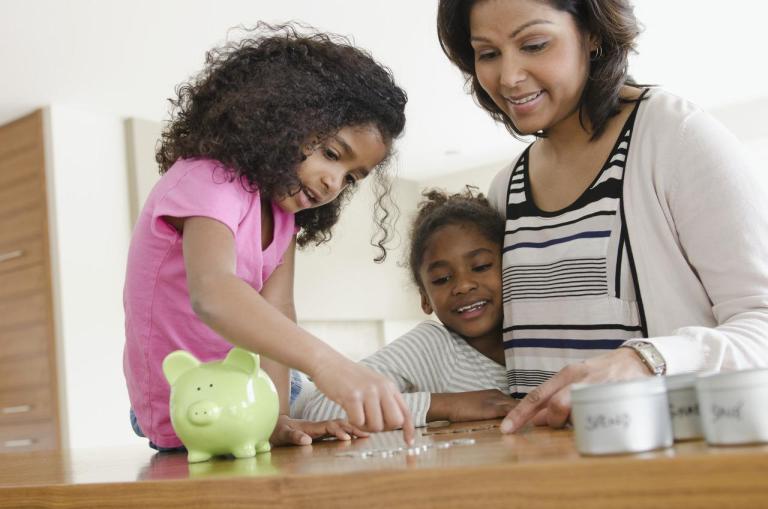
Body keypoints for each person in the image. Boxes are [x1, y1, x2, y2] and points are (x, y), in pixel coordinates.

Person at [437, 0, 768, 434]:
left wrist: (645, 360)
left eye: (534, 44)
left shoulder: (676, 137)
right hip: (542, 476)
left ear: (592, 34)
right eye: (488, 53)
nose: (509, 77)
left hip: (662, 471)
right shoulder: (506, 188)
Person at [124, 23, 416, 450]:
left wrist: (276, 417)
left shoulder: (283, 220)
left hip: (251, 405)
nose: (334, 182)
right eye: (332, 154)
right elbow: (214, 292)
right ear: (280, 119)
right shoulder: (208, 178)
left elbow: (279, 311)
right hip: (187, 404)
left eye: (351, 178)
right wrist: (327, 363)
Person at [293, 188, 515, 427]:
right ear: (425, 299)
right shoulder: (433, 346)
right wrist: (446, 405)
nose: (463, 286)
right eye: (442, 279)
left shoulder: (541, 343)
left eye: (480, 266)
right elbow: (318, 409)